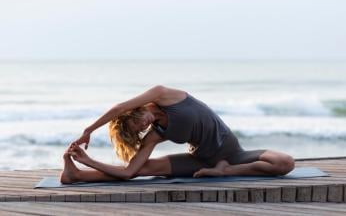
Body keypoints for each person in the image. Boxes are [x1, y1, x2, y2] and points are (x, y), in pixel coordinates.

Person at [60, 85, 295, 184]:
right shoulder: (155, 134)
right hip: (199, 160)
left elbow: (118, 107)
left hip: (232, 154)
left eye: (137, 122)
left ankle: (227, 171)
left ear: (133, 112)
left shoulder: (164, 95)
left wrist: (89, 130)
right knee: (142, 169)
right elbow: (129, 172)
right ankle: (76, 175)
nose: (143, 128)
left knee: (285, 163)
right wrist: (89, 161)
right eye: (138, 131)